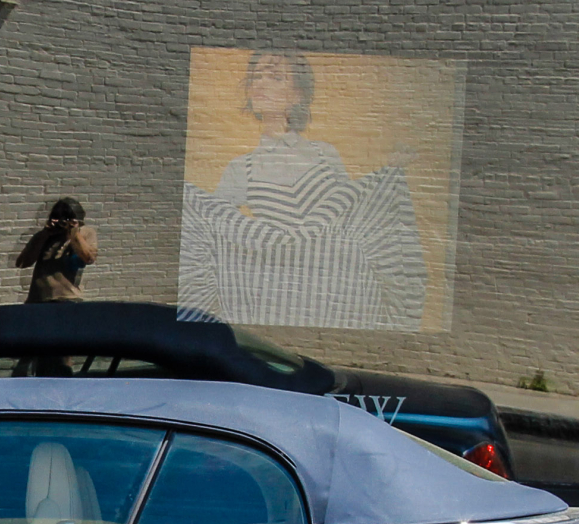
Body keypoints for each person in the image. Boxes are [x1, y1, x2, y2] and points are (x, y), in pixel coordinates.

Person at [179, 51, 426, 332]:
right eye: (256, 77)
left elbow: (346, 210)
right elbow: (218, 226)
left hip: (333, 283)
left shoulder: (324, 153)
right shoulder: (241, 167)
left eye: (275, 77)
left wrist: (388, 174)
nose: (260, 84)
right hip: (273, 285)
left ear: (297, 95)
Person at [14, 197, 99, 302]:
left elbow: (89, 258)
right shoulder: (44, 235)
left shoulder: (85, 233)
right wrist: (44, 234)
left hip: (68, 298)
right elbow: (22, 263)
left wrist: (75, 233)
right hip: (38, 299)